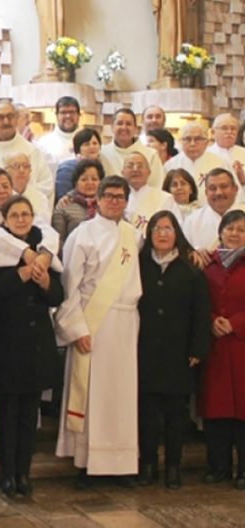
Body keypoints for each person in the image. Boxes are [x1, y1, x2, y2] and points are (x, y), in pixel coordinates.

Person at [55, 175, 142, 489]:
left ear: (127, 201)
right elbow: (70, 285)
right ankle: (87, 463)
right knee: (92, 393)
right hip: (94, 322)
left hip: (125, 323)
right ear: (99, 199)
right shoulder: (83, 234)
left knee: (122, 395)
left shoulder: (133, 236)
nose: (115, 201)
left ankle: (121, 464)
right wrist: (77, 327)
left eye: (121, 197)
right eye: (110, 196)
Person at [0, 195, 63, 498]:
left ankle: (24, 473)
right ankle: (7, 473)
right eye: (14, 214)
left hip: (36, 340)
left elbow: (58, 295)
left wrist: (44, 283)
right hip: (6, 339)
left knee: (29, 413)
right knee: (7, 412)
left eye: (25, 214)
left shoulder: (44, 249)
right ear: (4, 219)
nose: (20, 219)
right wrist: (21, 275)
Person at [137, 211, 210, 490]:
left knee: (176, 415)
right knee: (147, 414)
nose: (163, 233)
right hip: (145, 351)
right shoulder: (140, 266)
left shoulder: (190, 268)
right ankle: (148, 464)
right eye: (157, 228)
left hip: (179, 353)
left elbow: (201, 313)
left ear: (177, 233)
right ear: (149, 233)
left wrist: (198, 349)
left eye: (168, 228)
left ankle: (173, 467)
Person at [199, 210, 245, 490]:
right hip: (215, 348)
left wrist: (237, 323)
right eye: (230, 228)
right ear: (221, 232)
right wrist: (211, 320)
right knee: (216, 411)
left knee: (243, 412)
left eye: (241, 230)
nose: (235, 233)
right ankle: (219, 467)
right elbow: (197, 302)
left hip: (241, 347)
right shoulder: (207, 265)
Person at [0, 100, 54, 204]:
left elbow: (46, 187)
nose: (6, 121)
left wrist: (16, 200)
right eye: (0, 117)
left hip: (25, 216)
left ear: (17, 119)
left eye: (10, 116)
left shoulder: (33, 151)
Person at [183, 168, 245, 253]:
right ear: (206, 192)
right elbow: (183, 253)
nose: (218, 192)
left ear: (235, 189)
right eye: (212, 188)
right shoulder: (192, 221)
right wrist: (195, 253)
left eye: (224, 186)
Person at [101, 108, 165, 188]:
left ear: (135, 129)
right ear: (112, 127)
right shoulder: (102, 153)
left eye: (128, 124)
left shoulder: (151, 154)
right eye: (120, 123)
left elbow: (157, 186)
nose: (124, 127)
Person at [165, 122, 230, 200]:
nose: (192, 143)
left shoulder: (219, 163)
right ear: (181, 142)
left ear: (206, 142)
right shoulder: (170, 165)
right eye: (188, 139)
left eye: (198, 139)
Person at [123, 151, 181, 234]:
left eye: (140, 166)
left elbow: (175, 229)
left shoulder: (165, 198)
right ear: (123, 172)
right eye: (130, 166)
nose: (135, 169)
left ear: (149, 172)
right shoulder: (116, 199)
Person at [51, 159, 105, 249]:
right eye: (84, 179)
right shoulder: (64, 206)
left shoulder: (109, 205)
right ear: (76, 183)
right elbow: (58, 242)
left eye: (94, 179)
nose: (90, 183)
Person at [55, 128, 117, 203]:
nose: (92, 147)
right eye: (86, 144)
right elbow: (64, 198)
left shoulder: (103, 166)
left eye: (95, 143)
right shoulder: (67, 168)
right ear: (78, 149)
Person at [35, 96, 81, 175]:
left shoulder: (89, 141)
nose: (68, 116)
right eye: (63, 112)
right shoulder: (44, 144)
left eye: (72, 112)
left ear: (79, 115)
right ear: (56, 115)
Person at [5, 152, 51, 220]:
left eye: (25, 166)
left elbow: (45, 225)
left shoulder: (40, 198)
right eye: (16, 166)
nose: (21, 170)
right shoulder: (2, 198)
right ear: (7, 171)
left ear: (30, 171)